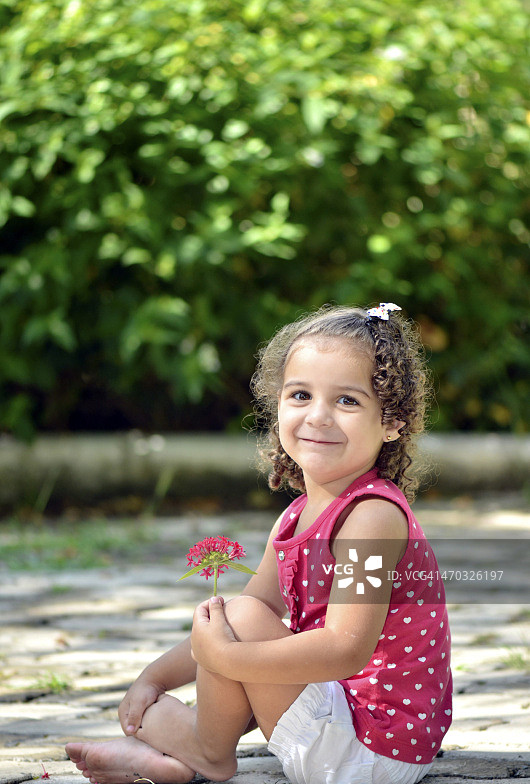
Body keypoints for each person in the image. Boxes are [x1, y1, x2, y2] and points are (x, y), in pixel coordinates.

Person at [66, 303, 452, 784]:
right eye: (300, 394)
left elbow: (345, 650)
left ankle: (203, 751)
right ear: (277, 406)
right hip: (342, 727)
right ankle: (177, 751)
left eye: (348, 401)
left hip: (372, 752)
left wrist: (224, 657)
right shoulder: (294, 519)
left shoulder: (371, 518)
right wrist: (154, 678)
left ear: (392, 422)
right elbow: (231, 627)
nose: (319, 416)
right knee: (224, 626)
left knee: (240, 620)